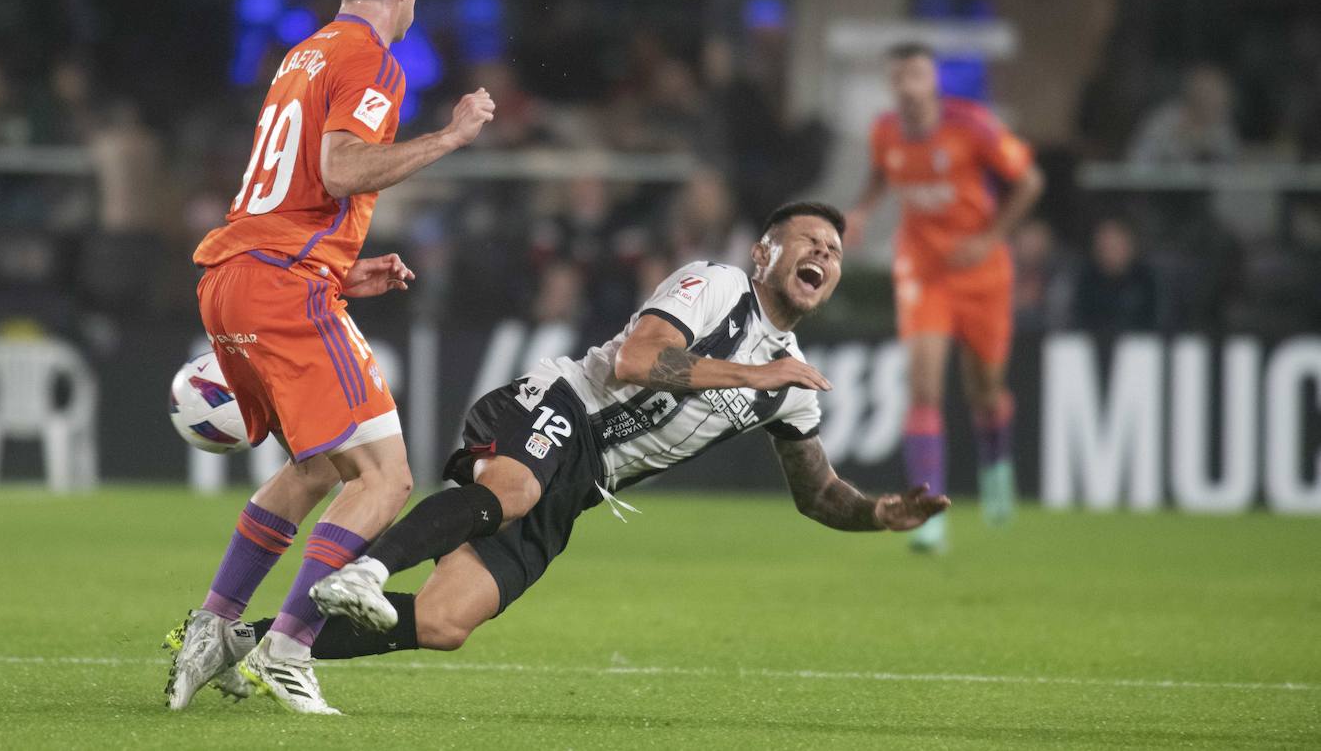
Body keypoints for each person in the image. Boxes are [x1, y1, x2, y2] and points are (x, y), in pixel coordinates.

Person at [164, 203, 949, 698]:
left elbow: (819, 495)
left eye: (836, 252)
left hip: (586, 483)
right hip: (559, 401)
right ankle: (363, 569)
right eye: (806, 240)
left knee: (445, 622)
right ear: (764, 254)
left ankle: (256, 643)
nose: (823, 254)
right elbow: (637, 362)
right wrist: (754, 369)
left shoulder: (794, 386)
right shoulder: (716, 286)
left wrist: (883, 513)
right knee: (516, 489)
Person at [164, 0, 495, 715]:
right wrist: (450, 138)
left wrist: (342, 268)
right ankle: (289, 647)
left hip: (234, 276)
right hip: (280, 282)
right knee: (387, 477)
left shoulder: (302, 54)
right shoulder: (371, 59)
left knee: (318, 467)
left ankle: (213, 626)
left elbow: (292, 190)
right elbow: (339, 169)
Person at [844, 43, 1044, 552]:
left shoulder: (972, 125)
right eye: (898, 77)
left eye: (915, 74)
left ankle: (996, 461)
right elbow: (880, 174)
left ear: (932, 81)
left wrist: (990, 236)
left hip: (982, 275)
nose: (907, 86)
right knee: (924, 388)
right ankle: (928, 513)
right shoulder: (885, 131)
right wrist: (862, 211)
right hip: (923, 270)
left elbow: (1030, 182)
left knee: (984, 392)